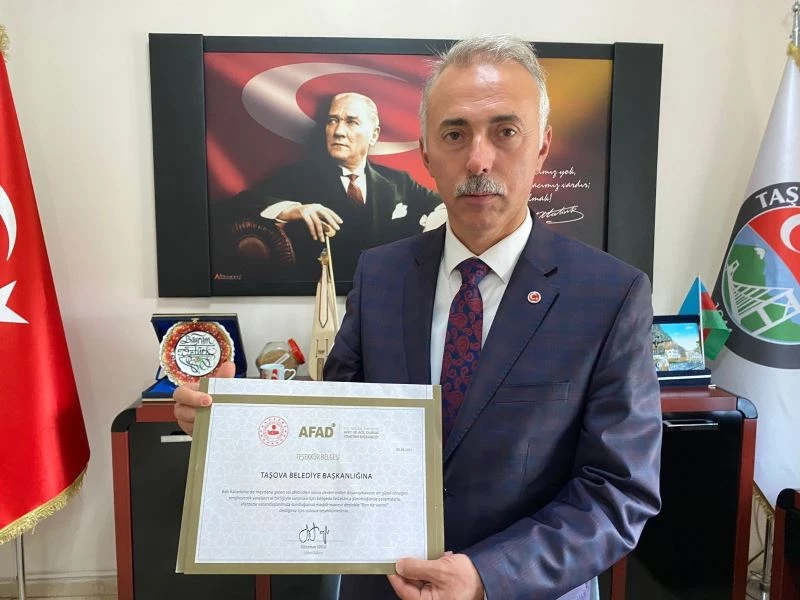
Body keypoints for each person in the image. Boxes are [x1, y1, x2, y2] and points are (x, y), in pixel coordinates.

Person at [177, 34, 662, 600]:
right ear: (427, 152)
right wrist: (233, 424)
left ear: (542, 146)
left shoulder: (611, 295)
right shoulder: (380, 274)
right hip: (384, 584)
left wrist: (486, 578)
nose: (478, 159)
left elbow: (617, 492)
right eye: (455, 134)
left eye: (506, 131)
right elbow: (336, 430)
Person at [216, 92, 442, 282]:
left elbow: (446, 205)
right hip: (320, 299)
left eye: (351, 122)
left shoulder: (399, 181)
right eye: (332, 120)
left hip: (386, 294)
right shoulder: (297, 176)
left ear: (373, 135)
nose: (338, 131)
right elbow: (239, 204)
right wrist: (292, 209)